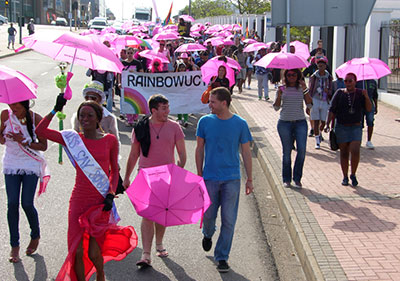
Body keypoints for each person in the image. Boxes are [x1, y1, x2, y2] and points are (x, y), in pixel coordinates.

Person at [36, 96, 137, 281]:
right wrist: (55, 109)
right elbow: (40, 130)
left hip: (100, 201)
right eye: (82, 115)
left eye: (90, 115)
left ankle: (100, 274)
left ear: (98, 119)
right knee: (76, 249)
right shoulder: (73, 139)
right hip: (78, 200)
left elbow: (114, 171)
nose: (85, 119)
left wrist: (110, 194)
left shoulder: (110, 141)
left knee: (93, 251)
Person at [123, 94, 186, 268]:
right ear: (154, 110)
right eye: (164, 108)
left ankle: (159, 243)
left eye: (168, 107)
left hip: (167, 177)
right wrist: (127, 176)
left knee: (161, 213)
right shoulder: (140, 127)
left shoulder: (174, 127)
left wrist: (179, 169)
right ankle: (146, 254)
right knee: (147, 214)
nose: (168, 111)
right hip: (146, 176)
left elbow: (181, 152)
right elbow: (134, 154)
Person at [195, 87, 253, 273]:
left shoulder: (240, 124)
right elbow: (199, 149)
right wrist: (199, 174)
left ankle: (222, 257)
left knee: (229, 220)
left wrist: (249, 179)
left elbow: (246, 151)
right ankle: (208, 233)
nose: (209, 105)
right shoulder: (204, 122)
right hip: (210, 178)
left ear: (224, 103)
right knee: (209, 215)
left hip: (231, 179)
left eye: (212, 102)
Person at [0, 100, 48, 263]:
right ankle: (15, 246)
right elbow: (1, 140)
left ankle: (35, 235)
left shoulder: (36, 119)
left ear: (26, 106)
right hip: (11, 164)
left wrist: (24, 140)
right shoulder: (5, 115)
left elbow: (43, 146)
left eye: (17, 106)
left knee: (27, 203)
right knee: (12, 203)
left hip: (30, 163)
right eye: (12, 105)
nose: (13, 109)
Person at [325, 73, 372, 187]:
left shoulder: (361, 93)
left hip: (355, 127)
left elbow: (369, 108)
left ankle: (353, 174)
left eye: (350, 81)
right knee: (344, 153)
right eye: (346, 81)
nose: (348, 83)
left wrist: (366, 97)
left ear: (355, 81)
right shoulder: (339, 93)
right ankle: (345, 176)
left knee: (355, 150)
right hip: (341, 127)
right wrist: (327, 124)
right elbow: (332, 109)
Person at [273, 69, 312, 188]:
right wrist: (279, 95)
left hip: (300, 122)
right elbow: (276, 107)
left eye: (294, 75)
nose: (291, 77)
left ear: (298, 76)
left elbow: (310, 104)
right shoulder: (282, 89)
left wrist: (305, 88)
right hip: (285, 123)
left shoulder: (301, 88)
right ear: (286, 76)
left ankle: (297, 178)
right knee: (287, 152)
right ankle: (286, 178)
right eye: (289, 75)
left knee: (301, 151)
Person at [308, 57, 332, 149]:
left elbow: (331, 89)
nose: (320, 67)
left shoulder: (328, 77)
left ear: (325, 66)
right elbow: (310, 89)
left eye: (322, 66)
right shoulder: (314, 76)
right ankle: (317, 141)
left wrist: (328, 91)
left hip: (325, 100)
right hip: (316, 99)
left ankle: (320, 132)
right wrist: (309, 103)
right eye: (319, 66)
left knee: (323, 121)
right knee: (316, 120)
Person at [355, 79, 378, 149]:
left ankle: (369, 141)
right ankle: (359, 140)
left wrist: (376, 106)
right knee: (359, 123)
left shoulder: (373, 82)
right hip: (359, 105)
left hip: (370, 105)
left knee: (370, 121)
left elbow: (375, 95)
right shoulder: (358, 81)